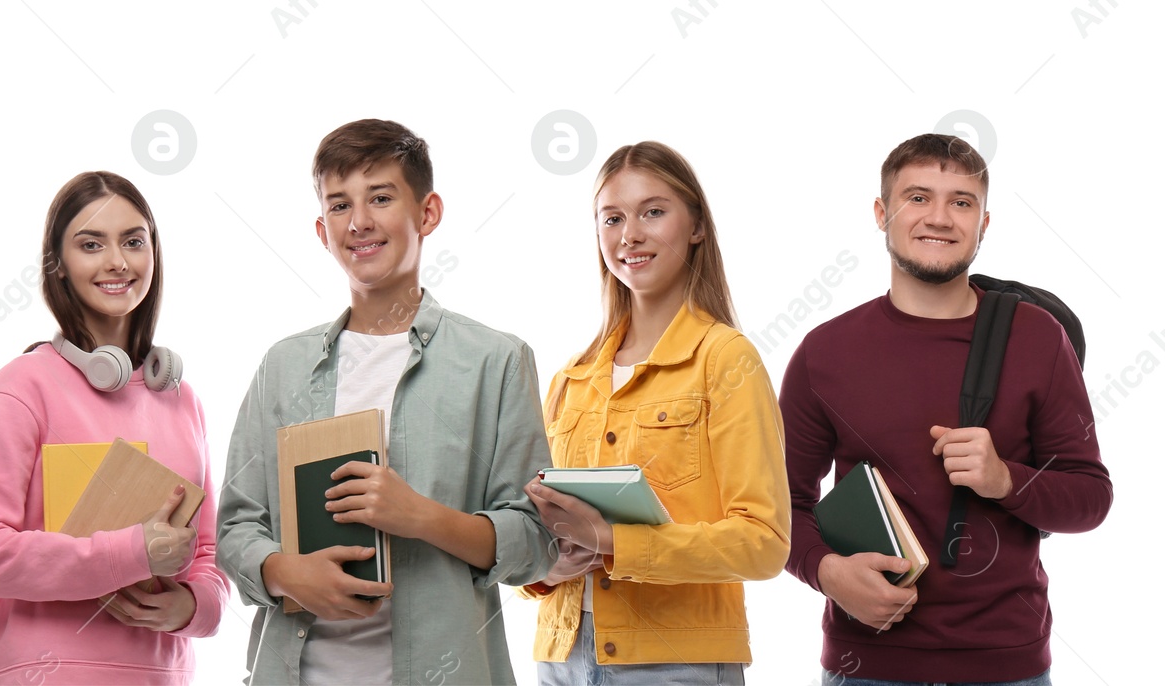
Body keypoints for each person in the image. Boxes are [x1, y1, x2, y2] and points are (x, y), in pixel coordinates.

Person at [216, 119, 556, 684]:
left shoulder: (496, 361)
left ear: (427, 214)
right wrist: (282, 572)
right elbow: (236, 526)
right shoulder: (283, 367)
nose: (361, 222)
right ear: (323, 230)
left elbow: (536, 542)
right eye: (341, 205)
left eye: (380, 197)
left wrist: (421, 517)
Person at [780, 133, 1112, 685]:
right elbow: (777, 506)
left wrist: (1005, 479)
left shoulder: (1037, 338)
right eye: (918, 197)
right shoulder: (825, 352)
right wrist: (827, 572)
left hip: (1008, 666)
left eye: (961, 202)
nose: (940, 217)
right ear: (882, 213)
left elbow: (1090, 498)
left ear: (983, 223)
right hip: (866, 664)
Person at [522, 142, 790, 686]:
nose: (630, 235)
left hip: (675, 663)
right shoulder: (570, 377)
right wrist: (545, 567)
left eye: (653, 211)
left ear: (695, 226)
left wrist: (613, 541)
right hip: (560, 657)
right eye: (612, 218)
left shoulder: (725, 359)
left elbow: (764, 543)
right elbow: (533, 526)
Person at [0, 171, 227, 685]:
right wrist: (132, 552)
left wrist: (194, 606)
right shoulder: (22, 387)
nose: (117, 261)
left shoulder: (182, 398)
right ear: (59, 266)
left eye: (133, 241)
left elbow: (207, 552)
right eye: (91, 244)